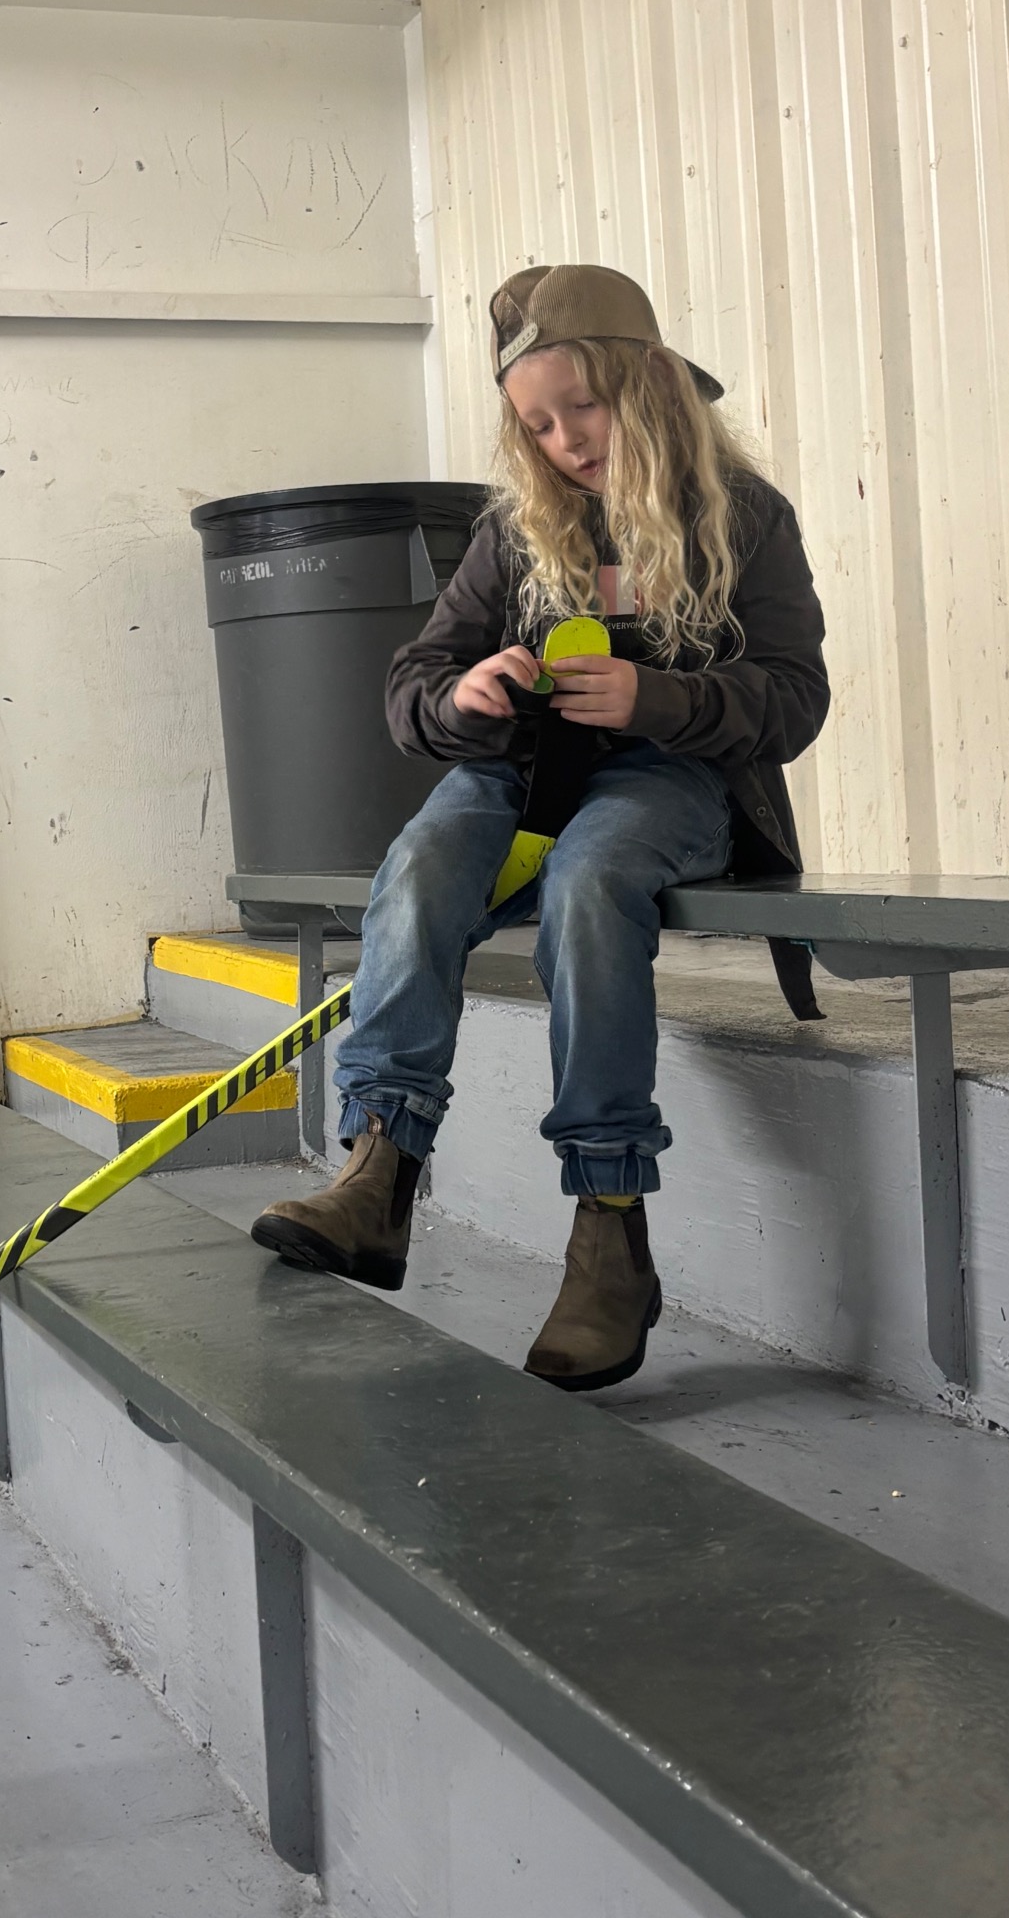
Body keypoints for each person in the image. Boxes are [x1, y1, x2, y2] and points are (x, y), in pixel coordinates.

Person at [252, 263, 830, 1391]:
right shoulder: (516, 531)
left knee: (591, 880)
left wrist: (657, 697)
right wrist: (462, 699)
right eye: (537, 425)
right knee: (420, 863)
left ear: (651, 384)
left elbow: (794, 698)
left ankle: (610, 1229)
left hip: (673, 778)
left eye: (585, 407)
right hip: (519, 774)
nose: (565, 441)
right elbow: (416, 680)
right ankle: (380, 1172)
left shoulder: (747, 516)